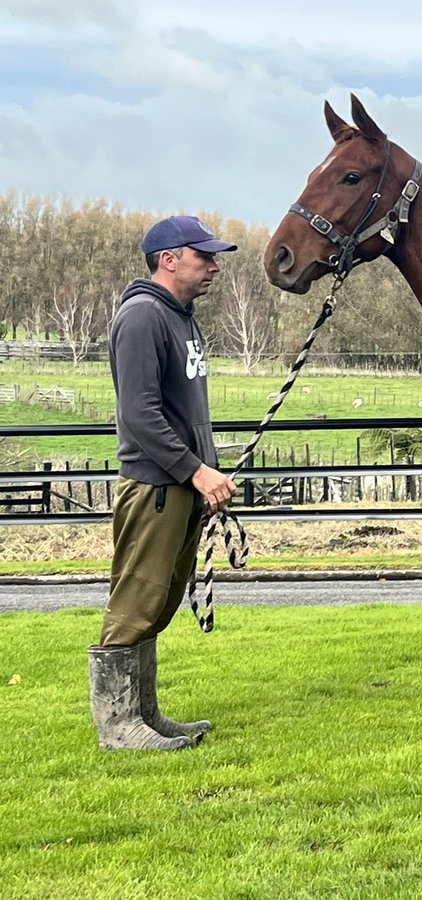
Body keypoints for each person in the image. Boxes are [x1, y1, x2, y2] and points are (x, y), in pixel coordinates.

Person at [88, 215, 238, 751]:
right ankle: (119, 728)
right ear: (169, 259)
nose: (215, 266)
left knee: (163, 599)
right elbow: (140, 415)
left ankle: (144, 716)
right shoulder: (142, 318)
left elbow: (186, 411)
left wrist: (207, 477)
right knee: (135, 602)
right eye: (205, 257)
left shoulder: (182, 317)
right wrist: (195, 471)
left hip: (180, 486)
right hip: (155, 487)